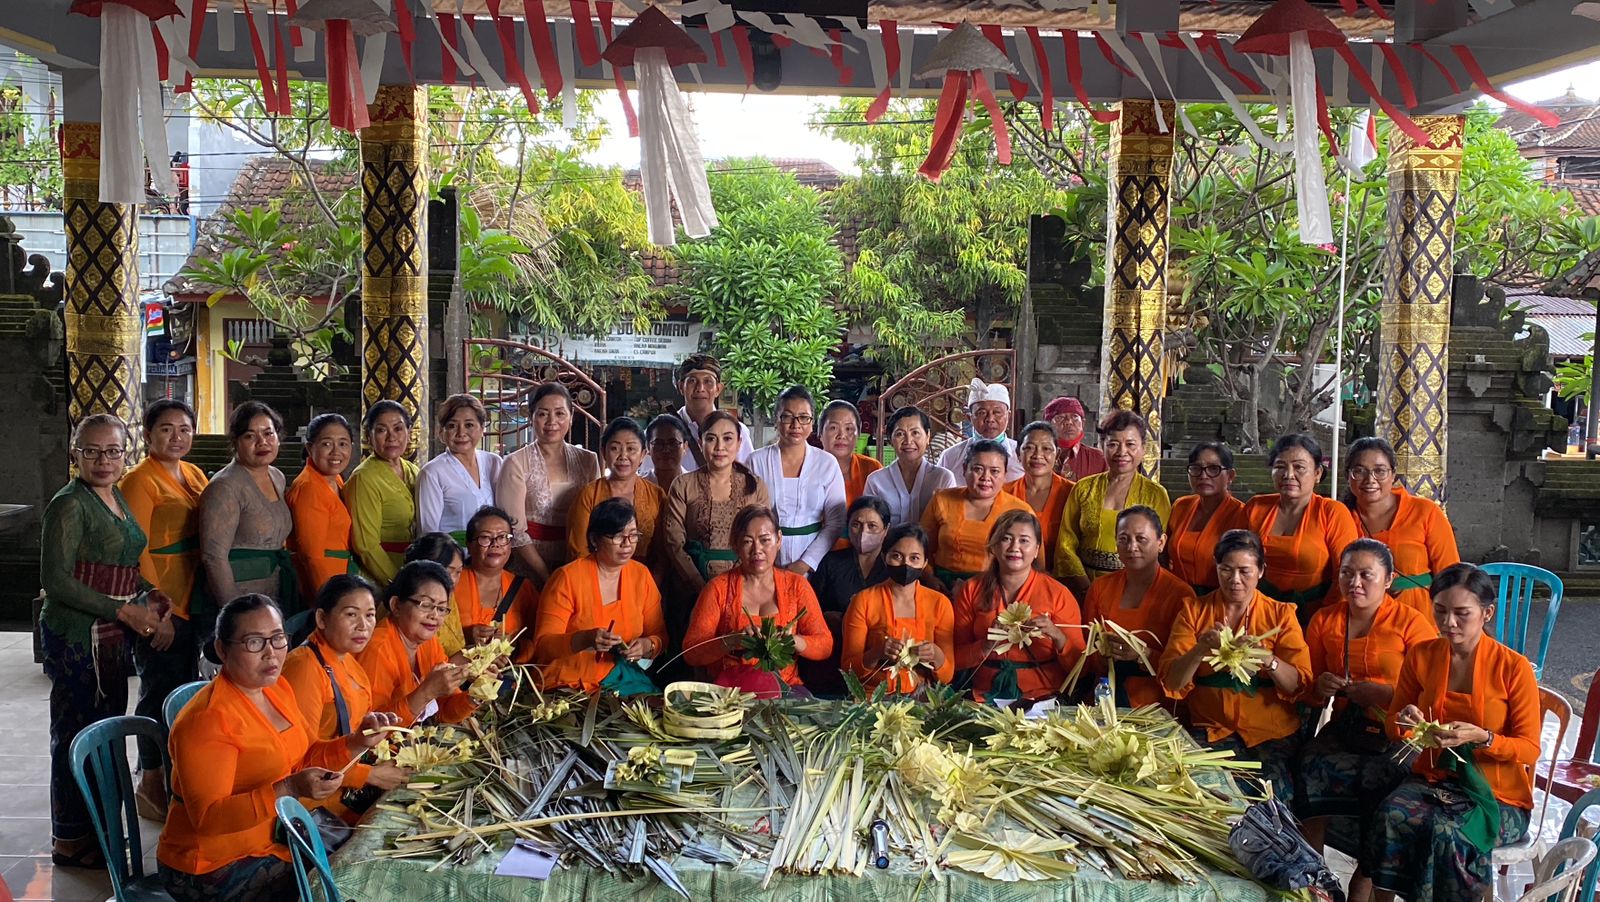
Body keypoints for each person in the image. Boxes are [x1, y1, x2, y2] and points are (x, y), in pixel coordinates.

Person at [158, 595, 395, 901]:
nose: (271, 653)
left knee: (362, 860)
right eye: (254, 642)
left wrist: (357, 742)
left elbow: (306, 754)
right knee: (338, 881)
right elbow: (208, 819)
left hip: (273, 834)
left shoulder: (276, 688)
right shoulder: (209, 720)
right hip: (211, 863)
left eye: (278, 638)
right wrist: (288, 788)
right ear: (222, 649)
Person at [1363, 563, 1540, 902]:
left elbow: (1530, 749)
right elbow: (1392, 726)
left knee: (1444, 833)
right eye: (1440, 611)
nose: (1448, 623)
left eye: (1462, 613)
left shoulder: (1513, 667)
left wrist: (1482, 737)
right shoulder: (1422, 655)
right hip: (1436, 779)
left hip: (1497, 796)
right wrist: (1405, 720)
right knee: (1390, 815)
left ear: (1487, 613)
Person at [41, 414, 165, 868]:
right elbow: (55, 579)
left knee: (104, 733)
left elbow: (121, 564)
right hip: (77, 636)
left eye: (112, 451)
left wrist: (148, 595)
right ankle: (70, 838)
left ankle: (101, 830)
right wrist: (122, 609)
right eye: (91, 451)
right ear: (75, 454)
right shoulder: (69, 504)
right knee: (75, 735)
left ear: (125, 452)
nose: (103, 460)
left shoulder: (114, 496)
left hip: (110, 635)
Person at [1296, 539, 1436, 894]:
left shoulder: (1411, 623)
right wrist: (1322, 685)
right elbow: (1306, 688)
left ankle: (1368, 886)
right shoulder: (1325, 620)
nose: (1354, 583)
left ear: (1388, 580)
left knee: (1388, 785)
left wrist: (1386, 695)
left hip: (1396, 737)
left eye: (1366, 575)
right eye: (1346, 573)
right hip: (1347, 729)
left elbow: (1430, 694)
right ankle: (1317, 879)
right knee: (1308, 766)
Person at [1160, 529, 1312, 804]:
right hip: (1211, 728)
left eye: (1245, 571)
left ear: (1261, 571)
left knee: (1274, 795)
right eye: (1226, 570)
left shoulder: (1280, 615)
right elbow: (1173, 682)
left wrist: (1267, 658)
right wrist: (1200, 649)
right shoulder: (1194, 611)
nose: (1235, 580)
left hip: (1270, 733)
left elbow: (1298, 684)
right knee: (1200, 796)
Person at [119, 399, 208, 818]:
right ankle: (149, 778)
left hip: (195, 593)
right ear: (148, 433)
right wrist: (156, 611)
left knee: (185, 693)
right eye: (167, 429)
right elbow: (134, 549)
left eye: (185, 429)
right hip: (162, 601)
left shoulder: (192, 473)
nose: (177, 437)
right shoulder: (139, 480)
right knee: (157, 691)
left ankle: (177, 776)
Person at [279, 575, 413, 824]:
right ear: (321, 619)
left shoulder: (347, 659)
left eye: (370, 615)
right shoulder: (305, 669)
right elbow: (299, 761)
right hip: (317, 804)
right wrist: (367, 775)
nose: (363, 625)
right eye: (351, 614)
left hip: (347, 784)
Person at [681, 505, 833, 697]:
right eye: (747, 541)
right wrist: (732, 641)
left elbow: (825, 645)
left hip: (786, 689)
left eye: (765, 540)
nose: (757, 550)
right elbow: (691, 652)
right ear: (735, 544)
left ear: (779, 539)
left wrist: (794, 641)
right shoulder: (718, 588)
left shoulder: (796, 586)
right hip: (731, 692)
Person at [533, 498, 666, 695]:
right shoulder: (567, 578)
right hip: (568, 683)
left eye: (633, 535)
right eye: (617, 536)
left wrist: (648, 646)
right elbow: (543, 646)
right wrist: (584, 639)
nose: (627, 544)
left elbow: (660, 637)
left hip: (620, 678)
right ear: (595, 540)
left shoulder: (641, 575)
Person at [951, 509, 1084, 702]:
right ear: (994, 547)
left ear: (1037, 548)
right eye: (1006, 539)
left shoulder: (1058, 593)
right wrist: (986, 645)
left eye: (1024, 540)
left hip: (1043, 696)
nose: (1014, 547)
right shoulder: (971, 589)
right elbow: (954, 658)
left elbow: (1082, 667)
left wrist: (1057, 635)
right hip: (983, 695)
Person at [1081, 506, 1194, 708]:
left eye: (1141, 539)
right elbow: (1087, 651)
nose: (1131, 547)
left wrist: (1143, 654)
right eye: (1123, 539)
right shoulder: (1100, 587)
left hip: (1156, 705)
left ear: (1161, 542)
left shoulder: (1180, 595)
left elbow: (1184, 667)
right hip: (1104, 699)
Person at [1241, 433, 1359, 624]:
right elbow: (1235, 560)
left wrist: (1325, 618)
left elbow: (1346, 572)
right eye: (1280, 466)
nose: (1288, 475)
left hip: (1315, 614)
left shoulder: (1332, 512)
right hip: (1258, 613)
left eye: (1299, 467)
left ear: (1318, 473)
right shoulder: (1255, 507)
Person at [198, 401, 296, 629]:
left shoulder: (277, 477)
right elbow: (213, 558)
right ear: (235, 442)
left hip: (274, 588)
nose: (262, 442)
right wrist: (234, 612)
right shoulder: (226, 486)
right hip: (238, 593)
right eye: (250, 436)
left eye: (268, 433)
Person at [1054, 410, 1171, 597]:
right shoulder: (1084, 488)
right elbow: (1066, 543)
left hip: (1134, 589)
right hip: (1082, 586)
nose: (1122, 452)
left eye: (1130, 444)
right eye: (1113, 444)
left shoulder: (1155, 494)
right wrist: (1085, 587)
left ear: (1143, 448)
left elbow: (1158, 549)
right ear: (1102, 446)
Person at [357, 560, 488, 725]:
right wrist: (426, 692)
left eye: (441, 609)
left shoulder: (428, 642)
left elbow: (444, 712)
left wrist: (476, 695)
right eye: (425, 605)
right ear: (396, 605)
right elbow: (372, 728)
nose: (435, 616)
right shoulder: (377, 649)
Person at [495, 383, 601, 583]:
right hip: (528, 567)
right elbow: (514, 530)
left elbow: (595, 516)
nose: (552, 421)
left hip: (578, 565)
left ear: (571, 417)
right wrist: (546, 576)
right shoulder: (516, 463)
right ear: (531, 417)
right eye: (543, 414)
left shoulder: (588, 460)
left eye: (560, 413)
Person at [1344, 437, 1460, 620]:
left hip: (1422, 619)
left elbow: (1451, 575)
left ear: (1393, 475)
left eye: (1380, 471)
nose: (1370, 480)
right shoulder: (1340, 518)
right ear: (1348, 476)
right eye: (1359, 471)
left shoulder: (1425, 511)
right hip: (1362, 620)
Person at [662, 410, 773, 595]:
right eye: (711, 439)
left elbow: (763, 540)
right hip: (691, 586)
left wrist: (740, 584)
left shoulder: (755, 486)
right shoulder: (683, 485)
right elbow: (674, 541)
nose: (719, 446)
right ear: (700, 443)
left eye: (728, 439)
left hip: (744, 586)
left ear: (739, 443)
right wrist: (698, 583)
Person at [839, 523, 954, 694]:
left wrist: (935, 655)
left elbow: (947, 676)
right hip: (873, 696)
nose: (905, 564)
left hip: (923, 697)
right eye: (897, 556)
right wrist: (877, 653)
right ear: (884, 557)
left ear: (925, 563)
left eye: (914, 558)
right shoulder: (864, 600)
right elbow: (848, 670)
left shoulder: (939, 603)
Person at [746, 386, 847, 576]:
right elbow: (747, 515)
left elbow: (836, 522)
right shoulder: (756, 461)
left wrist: (805, 563)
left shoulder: (826, 463)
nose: (795, 425)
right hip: (764, 562)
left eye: (803, 417)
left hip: (815, 566)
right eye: (787, 416)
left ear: (812, 422)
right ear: (776, 419)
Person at [805, 496, 892, 696]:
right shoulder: (831, 562)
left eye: (872, 526)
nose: (863, 533)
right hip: (832, 658)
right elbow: (811, 611)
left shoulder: (892, 569)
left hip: (878, 663)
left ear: (886, 530)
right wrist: (830, 618)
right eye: (856, 525)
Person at [920, 440, 1032, 593]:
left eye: (994, 471)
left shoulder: (1019, 511)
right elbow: (921, 546)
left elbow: (1034, 561)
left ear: (1005, 474)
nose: (985, 477)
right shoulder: (942, 500)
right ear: (964, 469)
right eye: (978, 469)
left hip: (996, 590)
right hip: (942, 587)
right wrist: (929, 578)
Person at [567, 417, 665, 568]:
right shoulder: (589, 494)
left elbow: (662, 553)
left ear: (643, 454)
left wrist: (651, 583)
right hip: (596, 577)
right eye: (614, 448)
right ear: (603, 452)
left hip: (645, 580)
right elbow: (578, 550)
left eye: (631, 449)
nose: (623, 456)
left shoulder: (656, 495)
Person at [640, 354, 755, 479]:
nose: (700, 388)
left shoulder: (736, 431)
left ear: (718, 389)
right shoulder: (661, 431)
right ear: (680, 387)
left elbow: (747, 478)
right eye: (692, 381)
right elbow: (648, 478)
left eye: (708, 381)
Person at [445, 508, 537, 660]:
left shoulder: (524, 588)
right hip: (458, 677)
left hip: (510, 677)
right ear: (470, 544)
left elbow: (537, 641)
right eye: (485, 538)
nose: (495, 544)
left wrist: (511, 645)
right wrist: (465, 635)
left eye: (502, 537)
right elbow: (432, 634)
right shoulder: (452, 583)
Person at [344, 400, 419, 588]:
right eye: (381, 430)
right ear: (369, 437)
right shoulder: (364, 478)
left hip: (412, 568)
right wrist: (399, 583)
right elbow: (366, 545)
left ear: (409, 433)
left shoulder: (413, 471)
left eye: (398, 429)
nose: (391, 437)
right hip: (380, 577)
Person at [285, 413, 357, 600]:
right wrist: (328, 601)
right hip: (323, 584)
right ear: (309, 448)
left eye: (343, 444)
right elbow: (312, 555)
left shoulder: (336, 480)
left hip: (341, 578)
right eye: (326, 444)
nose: (336, 452)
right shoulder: (309, 487)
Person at [416, 394, 502, 544]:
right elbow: (429, 533)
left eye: (469, 425)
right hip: (454, 559)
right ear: (441, 433)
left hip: (494, 555)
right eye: (452, 426)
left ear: (482, 428)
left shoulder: (494, 462)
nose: (461, 433)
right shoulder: (432, 473)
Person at [1165, 442, 1245, 594]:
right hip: (1175, 595)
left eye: (1213, 469)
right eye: (1196, 468)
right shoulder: (1181, 506)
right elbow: (1163, 554)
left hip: (1220, 598)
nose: (1203, 476)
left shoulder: (1242, 515)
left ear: (1230, 476)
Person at [862, 406, 957, 527]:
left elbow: (950, 526)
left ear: (927, 437)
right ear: (890, 440)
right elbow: (869, 527)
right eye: (900, 434)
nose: (908, 441)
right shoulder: (876, 481)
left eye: (915, 433)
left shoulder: (943, 478)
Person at [1003, 421, 1075, 572]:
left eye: (1046, 449)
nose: (1037, 455)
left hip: (1065, 579)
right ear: (1018, 453)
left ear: (1057, 454)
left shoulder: (1073, 493)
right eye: (1029, 448)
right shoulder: (1005, 493)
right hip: (1015, 577)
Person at [935, 379, 1024, 481]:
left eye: (997, 412)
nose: (990, 419)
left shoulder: (1023, 456)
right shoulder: (950, 457)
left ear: (1008, 416)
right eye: (982, 413)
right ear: (970, 418)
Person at [402, 533, 470, 653]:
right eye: (449, 571)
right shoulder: (407, 601)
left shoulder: (448, 596)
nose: (453, 580)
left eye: (458, 572)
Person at [819, 399, 883, 504]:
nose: (841, 436)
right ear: (820, 434)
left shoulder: (872, 469)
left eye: (848, 429)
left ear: (858, 435)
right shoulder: (807, 469)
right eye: (833, 428)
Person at [1043, 396, 1106, 481]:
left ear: (1083, 423)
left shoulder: (1100, 459)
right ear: (1047, 424)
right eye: (1060, 417)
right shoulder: (1037, 456)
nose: (1068, 422)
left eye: (1074, 417)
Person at [644, 413, 690, 496]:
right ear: (648, 447)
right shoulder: (638, 487)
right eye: (658, 443)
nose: (666, 450)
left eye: (673, 443)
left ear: (685, 447)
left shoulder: (696, 485)